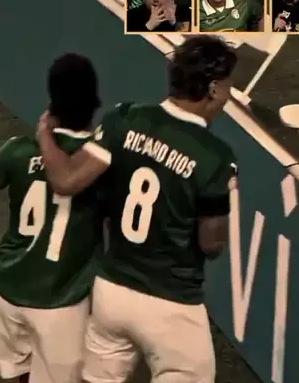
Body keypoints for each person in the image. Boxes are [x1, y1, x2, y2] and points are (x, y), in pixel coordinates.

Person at [36, 35, 239, 383]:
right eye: (229, 85)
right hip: (171, 303)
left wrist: (44, 134)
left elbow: (66, 181)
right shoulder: (216, 157)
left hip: (112, 292)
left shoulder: (123, 118)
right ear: (214, 88)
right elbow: (211, 245)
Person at [0, 53, 105, 383]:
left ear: (51, 102)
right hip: (61, 300)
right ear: (94, 103)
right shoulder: (99, 164)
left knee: (20, 370)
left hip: (10, 290)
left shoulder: (15, 150)